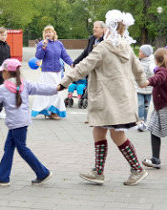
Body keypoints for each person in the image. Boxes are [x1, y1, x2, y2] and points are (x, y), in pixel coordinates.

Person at [58, 10, 148, 186]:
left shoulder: (103, 48)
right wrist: (143, 81)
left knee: (117, 135)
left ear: (109, 29)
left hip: (108, 98)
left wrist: (64, 83)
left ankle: (137, 169)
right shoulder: (126, 46)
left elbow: (84, 66)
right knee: (98, 130)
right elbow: (138, 68)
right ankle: (98, 172)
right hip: (117, 98)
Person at [0, 58, 58, 186]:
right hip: (22, 122)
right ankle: (2, 177)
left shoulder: (3, 88)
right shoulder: (24, 84)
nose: (1, 74)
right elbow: (41, 88)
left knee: (22, 149)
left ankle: (43, 172)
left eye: (2, 72)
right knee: (9, 148)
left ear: (6, 73)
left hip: (16, 124)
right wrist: (56, 88)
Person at [31, 25, 73, 120]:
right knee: (53, 92)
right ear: (44, 34)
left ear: (54, 33)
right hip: (47, 73)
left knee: (55, 92)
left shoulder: (59, 44)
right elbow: (38, 56)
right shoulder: (42, 43)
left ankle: (50, 111)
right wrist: (43, 47)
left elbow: (65, 56)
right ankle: (51, 112)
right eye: (46, 32)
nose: (48, 34)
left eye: (50, 32)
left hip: (57, 72)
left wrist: (72, 63)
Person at [141, 48, 167, 169]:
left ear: (157, 61)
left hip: (163, 108)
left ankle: (155, 159)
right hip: (159, 108)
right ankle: (155, 159)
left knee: (154, 130)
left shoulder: (162, 71)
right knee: (153, 129)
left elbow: (158, 79)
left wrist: (147, 82)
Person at [136, 44, 155, 132]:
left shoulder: (151, 62)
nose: (139, 53)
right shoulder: (138, 61)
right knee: (140, 105)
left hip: (149, 89)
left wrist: (156, 71)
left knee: (146, 106)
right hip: (139, 88)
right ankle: (141, 121)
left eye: (140, 52)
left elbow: (153, 70)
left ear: (146, 53)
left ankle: (145, 121)